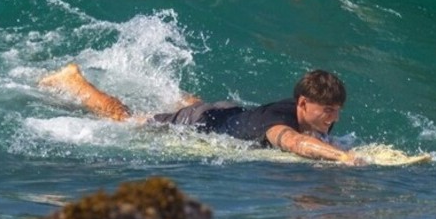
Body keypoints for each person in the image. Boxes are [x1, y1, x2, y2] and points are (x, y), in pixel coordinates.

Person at [40, 63, 364, 165]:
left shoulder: (306, 114)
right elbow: (293, 142)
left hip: (225, 112)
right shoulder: (280, 122)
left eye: (337, 111)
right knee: (125, 120)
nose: (333, 118)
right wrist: (342, 157)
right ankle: (74, 82)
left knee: (196, 107)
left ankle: (183, 100)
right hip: (200, 123)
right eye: (328, 110)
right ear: (303, 103)